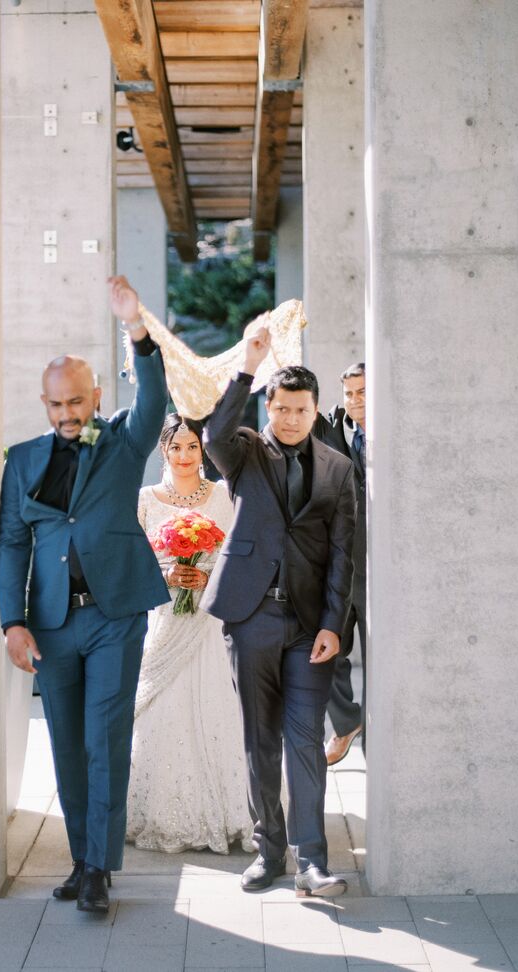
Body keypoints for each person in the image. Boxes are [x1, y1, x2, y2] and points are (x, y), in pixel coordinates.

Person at [0, 276, 169, 914]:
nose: (66, 416)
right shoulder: (22, 460)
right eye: (55, 406)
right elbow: (12, 544)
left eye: (76, 403)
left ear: (95, 396)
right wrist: (12, 622)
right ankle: (80, 858)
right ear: (44, 404)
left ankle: (98, 866)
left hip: (114, 616)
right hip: (50, 626)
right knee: (66, 744)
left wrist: (137, 330)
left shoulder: (121, 442)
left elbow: (154, 400)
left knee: (104, 739)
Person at [201, 324, 356, 898]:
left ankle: (311, 861)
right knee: (260, 739)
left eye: (301, 409)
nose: (291, 418)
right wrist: (248, 364)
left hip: (309, 629)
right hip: (251, 617)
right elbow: (213, 430)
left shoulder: (338, 470)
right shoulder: (242, 451)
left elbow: (344, 554)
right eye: (282, 407)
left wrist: (334, 626)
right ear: (269, 406)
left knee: (305, 741)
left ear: (316, 410)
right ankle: (269, 851)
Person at [126, 414, 253, 855]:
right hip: (165, 615)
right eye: (175, 447)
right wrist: (169, 574)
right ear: (163, 450)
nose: (184, 456)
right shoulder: (146, 499)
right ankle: (158, 811)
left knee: (214, 702)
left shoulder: (222, 497)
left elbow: (237, 555)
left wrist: (207, 576)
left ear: (203, 451)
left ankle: (228, 810)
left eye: (192, 447)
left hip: (207, 619)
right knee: (161, 707)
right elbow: (135, 559)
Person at [314, 363, 367, 765]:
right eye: (349, 393)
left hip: (385, 568)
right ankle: (347, 721)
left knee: (384, 659)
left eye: (363, 392)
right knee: (328, 648)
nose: (355, 401)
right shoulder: (333, 426)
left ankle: (377, 746)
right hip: (344, 560)